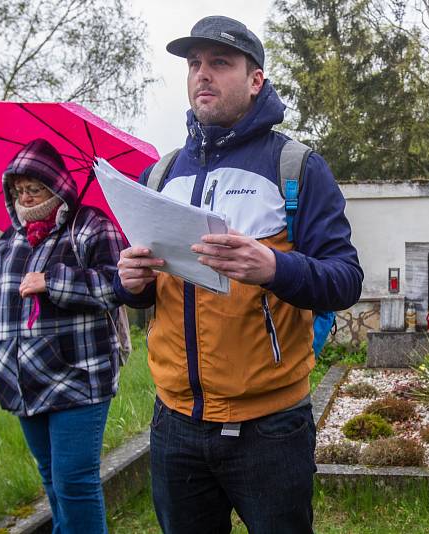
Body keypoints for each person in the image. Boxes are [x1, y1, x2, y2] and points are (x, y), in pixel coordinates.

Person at [114, 15, 363, 534]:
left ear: (256, 80)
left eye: (219, 63)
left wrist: (274, 266)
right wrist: (130, 282)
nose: (202, 74)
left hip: (270, 428)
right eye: (194, 64)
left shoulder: (295, 167)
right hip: (175, 423)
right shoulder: (161, 175)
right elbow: (145, 295)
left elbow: (345, 280)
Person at [0, 138, 126, 534]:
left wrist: (53, 281)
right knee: (52, 483)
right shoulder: (11, 239)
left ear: (57, 185)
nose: (25, 197)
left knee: (74, 482)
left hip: (79, 377)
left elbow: (119, 286)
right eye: (18, 189)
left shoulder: (91, 226)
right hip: (22, 383)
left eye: (34, 188)